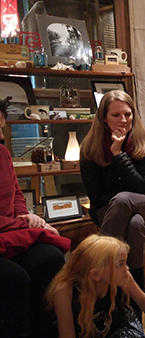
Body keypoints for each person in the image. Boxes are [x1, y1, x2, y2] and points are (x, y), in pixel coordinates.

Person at [79, 90, 145, 295]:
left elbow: (140, 186)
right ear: (104, 118)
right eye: (116, 115)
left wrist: (118, 153)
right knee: (134, 224)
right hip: (108, 207)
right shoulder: (90, 147)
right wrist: (134, 189)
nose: (123, 120)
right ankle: (133, 294)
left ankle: (100, 277)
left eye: (128, 114)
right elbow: (96, 197)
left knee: (123, 200)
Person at [0, 98, 71, 337]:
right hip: (7, 233)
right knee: (14, 278)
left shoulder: (2, 154)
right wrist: (23, 222)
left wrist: (24, 213)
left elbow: (17, 193)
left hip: (11, 232)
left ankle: (48, 330)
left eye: (1, 128)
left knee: (50, 258)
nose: (1, 135)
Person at [46, 234, 145, 338]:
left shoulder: (122, 277)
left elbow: (143, 301)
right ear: (95, 274)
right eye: (121, 264)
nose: (127, 269)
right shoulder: (65, 290)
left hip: (119, 328)